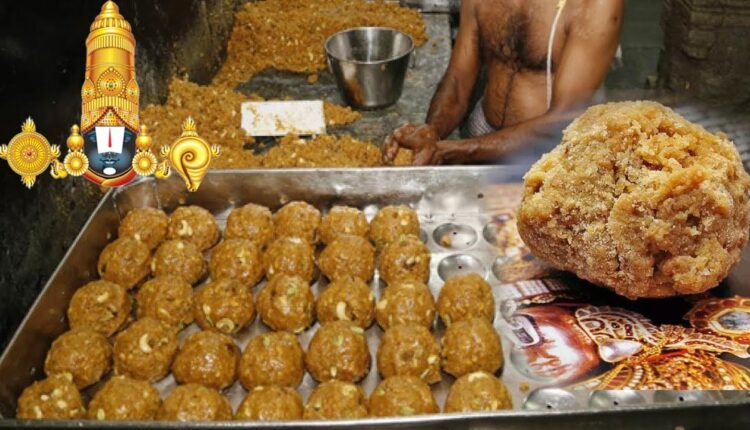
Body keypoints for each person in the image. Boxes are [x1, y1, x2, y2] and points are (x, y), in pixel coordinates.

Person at [382, 0, 624, 165]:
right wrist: (431, 133)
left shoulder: (594, 5)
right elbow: (457, 81)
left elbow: (563, 121)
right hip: (481, 129)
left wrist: (455, 150)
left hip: (551, 155)